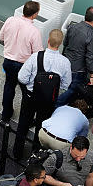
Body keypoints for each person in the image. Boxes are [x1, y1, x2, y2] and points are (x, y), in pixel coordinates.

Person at [15, 30, 72, 158]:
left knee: (23, 124)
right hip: (49, 101)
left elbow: (22, 78)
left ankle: (17, 152)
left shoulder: (36, 57)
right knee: (42, 127)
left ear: (48, 40)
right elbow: (65, 85)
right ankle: (36, 154)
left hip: (30, 97)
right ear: (60, 43)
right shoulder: (65, 62)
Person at [0, 0, 43, 121]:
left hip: (8, 61)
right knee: (26, 91)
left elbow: (0, 37)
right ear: (34, 14)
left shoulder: (10, 20)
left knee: (9, 87)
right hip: (24, 65)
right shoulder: (34, 31)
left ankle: (6, 114)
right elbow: (38, 53)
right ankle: (25, 117)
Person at [56, 6, 93, 108]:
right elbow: (90, 57)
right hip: (78, 68)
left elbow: (65, 42)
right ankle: (56, 105)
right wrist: (92, 75)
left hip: (66, 62)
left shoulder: (72, 27)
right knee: (73, 89)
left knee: (63, 86)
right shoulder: (92, 36)